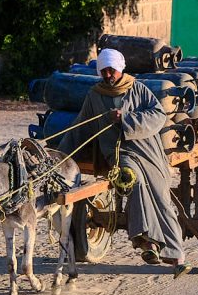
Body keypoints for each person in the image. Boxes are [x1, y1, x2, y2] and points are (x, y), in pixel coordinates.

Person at [58, 48, 191, 278]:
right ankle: (147, 242)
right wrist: (58, 156)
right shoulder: (95, 95)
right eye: (104, 71)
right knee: (134, 181)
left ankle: (177, 256)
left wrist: (127, 119)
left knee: (161, 197)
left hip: (148, 150)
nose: (108, 75)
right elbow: (81, 126)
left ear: (119, 69)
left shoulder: (137, 88)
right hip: (121, 154)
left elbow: (158, 115)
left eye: (111, 70)